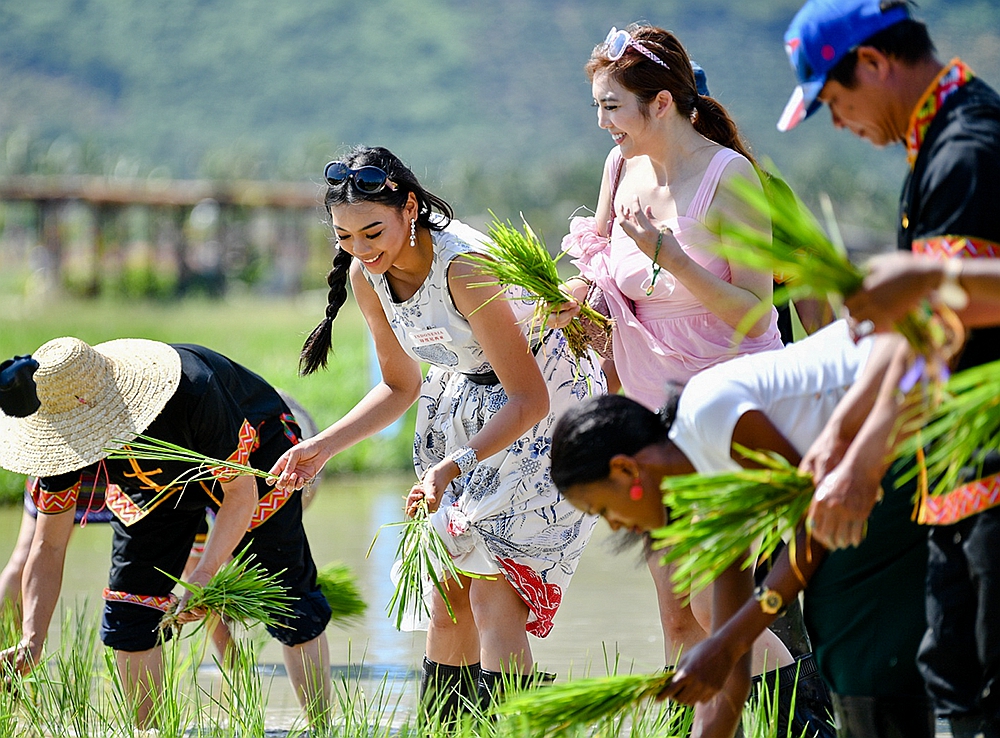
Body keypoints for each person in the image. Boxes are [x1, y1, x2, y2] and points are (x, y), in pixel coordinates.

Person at [268, 146, 604, 718]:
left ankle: (517, 730)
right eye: (345, 237)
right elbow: (400, 386)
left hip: (543, 410)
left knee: (496, 594)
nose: (362, 249)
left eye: (373, 231)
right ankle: (441, 728)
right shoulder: (365, 277)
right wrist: (320, 447)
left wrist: (453, 466)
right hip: (465, 402)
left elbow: (528, 398)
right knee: (446, 596)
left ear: (411, 208)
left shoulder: (464, 270)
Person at [778, 1, 1000, 734]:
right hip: (956, 482)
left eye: (835, 102)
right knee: (953, 680)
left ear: (872, 64)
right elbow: (906, 328)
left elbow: (937, 327)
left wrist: (864, 462)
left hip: (989, 475)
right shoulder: (934, 147)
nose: (839, 124)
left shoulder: (967, 149)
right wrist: (841, 434)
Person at [553, 21, 790, 681]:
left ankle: (807, 715)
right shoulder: (620, 165)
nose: (602, 122)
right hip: (647, 405)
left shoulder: (729, 177)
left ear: (661, 102)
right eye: (597, 105)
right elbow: (601, 268)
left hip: (724, 407)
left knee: (717, 603)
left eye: (611, 106)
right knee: (677, 612)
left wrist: (676, 261)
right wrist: (567, 299)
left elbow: (755, 310)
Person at [550, 320, 881, 738]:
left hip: (913, 400)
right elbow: (731, 671)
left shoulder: (711, 414)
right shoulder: (706, 492)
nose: (614, 525)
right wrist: (726, 648)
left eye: (602, 508)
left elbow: (816, 524)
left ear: (625, 469)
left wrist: (727, 645)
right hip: (869, 486)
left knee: (855, 648)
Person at [0, 339, 332, 729]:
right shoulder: (63, 432)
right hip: (150, 483)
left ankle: (323, 729)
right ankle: (151, 732)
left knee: (290, 601)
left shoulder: (192, 389)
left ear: (93, 406)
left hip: (252, 460)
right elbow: (48, 544)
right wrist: (33, 639)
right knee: (130, 616)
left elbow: (239, 495)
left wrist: (202, 579)